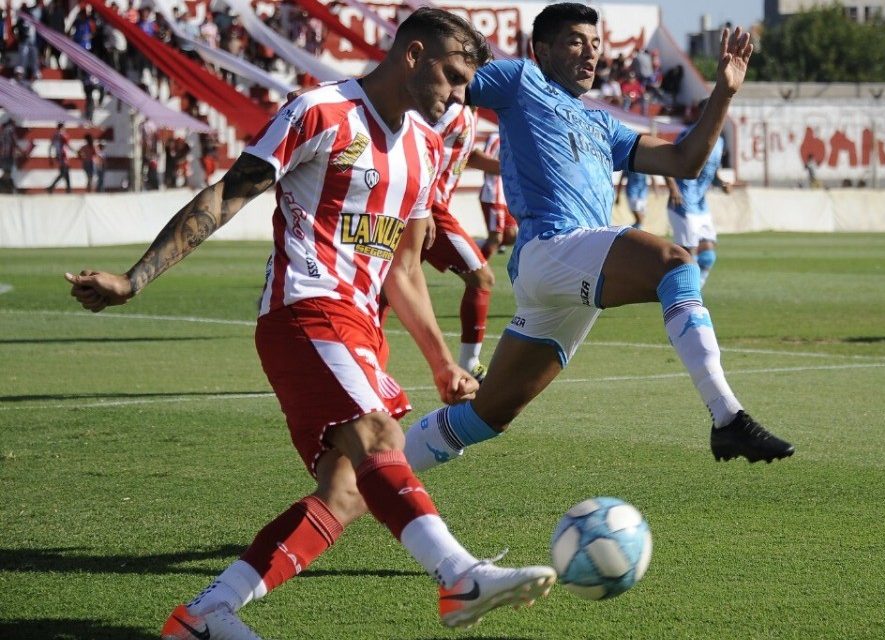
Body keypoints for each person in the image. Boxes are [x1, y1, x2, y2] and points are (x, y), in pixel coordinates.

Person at [64, 9, 554, 640]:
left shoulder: (427, 148)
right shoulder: (320, 112)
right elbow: (227, 194)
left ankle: (205, 615)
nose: (461, 96)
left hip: (362, 330)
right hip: (305, 310)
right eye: (455, 76)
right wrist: (135, 279)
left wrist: (439, 360)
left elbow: (403, 268)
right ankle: (459, 577)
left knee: (347, 493)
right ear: (412, 56)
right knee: (380, 438)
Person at [402, 3, 793, 475]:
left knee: (485, 417)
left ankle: (368, 475)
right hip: (551, 248)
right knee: (675, 263)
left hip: (568, 278)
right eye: (575, 42)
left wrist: (724, 93)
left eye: (596, 44)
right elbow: (448, 71)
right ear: (541, 50)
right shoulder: (521, 79)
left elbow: (685, 160)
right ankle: (727, 415)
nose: (590, 54)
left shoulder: (601, 123)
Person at [407, 102, 501, 380]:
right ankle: (469, 364)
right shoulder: (453, 110)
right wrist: (424, 207)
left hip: (431, 207)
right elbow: (419, 144)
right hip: (430, 208)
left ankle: (359, 355)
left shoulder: (468, 114)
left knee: (388, 289)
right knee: (482, 277)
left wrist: (508, 168)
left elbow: (464, 156)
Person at [666, 100, 731, 288]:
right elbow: (668, 161)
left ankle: (694, 293)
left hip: (701, 205)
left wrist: (721, 184)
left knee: (708, 256)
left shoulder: (720, 141)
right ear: (700, 114)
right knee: (688, 258)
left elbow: (712, 173)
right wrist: (673, 188)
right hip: (683, 204)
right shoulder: (689, 135)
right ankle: (680, 293)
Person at [479, 132, 517, 258]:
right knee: (496, 237)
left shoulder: (516, 136)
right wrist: (510, 169)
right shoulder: (496, 137)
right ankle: (475, 269)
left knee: (511, 235)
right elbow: (484, 161)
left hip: (507, 196)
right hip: (493, 194)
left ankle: (473, 247)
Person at [46, 122, 72, 194]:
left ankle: (69, 189)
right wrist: (76, 152)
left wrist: (50, 157)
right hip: (63, 156)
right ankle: (51, 187)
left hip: (59, 156)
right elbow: (68, 145)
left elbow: (51, 146)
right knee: (63, 173)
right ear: (62, 128)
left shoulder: (55, 136)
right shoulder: (63, 135)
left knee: (66, 172)